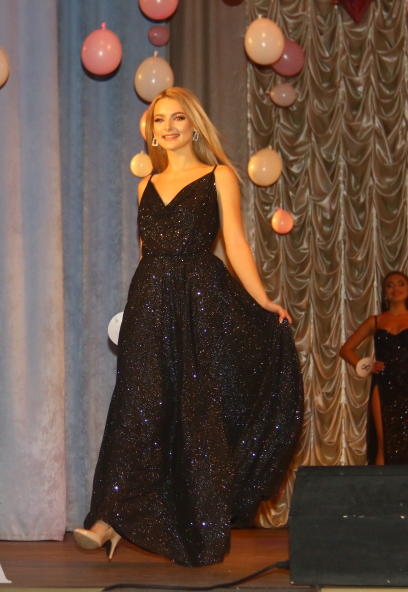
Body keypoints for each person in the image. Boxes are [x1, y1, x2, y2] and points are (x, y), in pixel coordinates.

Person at [73, 87, 303, 567]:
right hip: (150, 301)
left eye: (178, 118)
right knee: (137, 409)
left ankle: (195, 527)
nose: (169, 127)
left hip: (199, 303)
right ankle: (110, 516)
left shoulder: (219, 176)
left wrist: (263, 301)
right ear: (152, 132)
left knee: (194, 414)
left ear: (194, 125)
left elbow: (234, 243)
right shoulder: (145, 185)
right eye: (160, 120)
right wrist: (134, 312)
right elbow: (144, 255)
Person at [339, 271, 408, 465]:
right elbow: (345, 350)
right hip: (384, 385)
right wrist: (367, 366)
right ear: (384, 291)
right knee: (384, 443)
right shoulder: (375, 321)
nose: (395, 289)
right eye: (390, 285)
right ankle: (380, 484)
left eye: (401, 284)